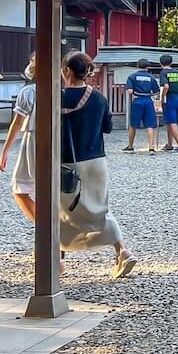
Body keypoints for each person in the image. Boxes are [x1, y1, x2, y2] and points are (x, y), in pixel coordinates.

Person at [60, 51, 137, 279]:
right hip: (95, 161)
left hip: (66, 162)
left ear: (67, 71)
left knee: (62, 210)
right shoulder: (100, 98)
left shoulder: (57, 98)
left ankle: (57, 263)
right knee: (99, 209)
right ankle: (122, 250)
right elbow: (107, 128)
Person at [0, 54, 38, 224]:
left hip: (33, 140)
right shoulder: (61, 89)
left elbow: (17, 123)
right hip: (61, 140)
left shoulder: (28, 91)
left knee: (21, 188)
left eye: (32, 61)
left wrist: (5, 151)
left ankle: (45, 227)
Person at [123, 58, 160, 154]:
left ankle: (130, 146)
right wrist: (149, 94)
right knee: (150, 125)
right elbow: (156, 91)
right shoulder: (151, 77)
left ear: (137, 66)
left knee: (133, 124)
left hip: (137, 101)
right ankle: (151, 148)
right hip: (148, 101)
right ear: (148, 67)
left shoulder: (132, 76)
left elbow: (130, 91)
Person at [157, 54, 178, 153]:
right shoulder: (177, 72)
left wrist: (162, 97)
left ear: (160, 63)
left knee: (172, 122)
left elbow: (165, 86)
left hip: (169, 98)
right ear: (171, 62)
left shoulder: (163, 72)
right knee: (170, 121)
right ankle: (169, 144)